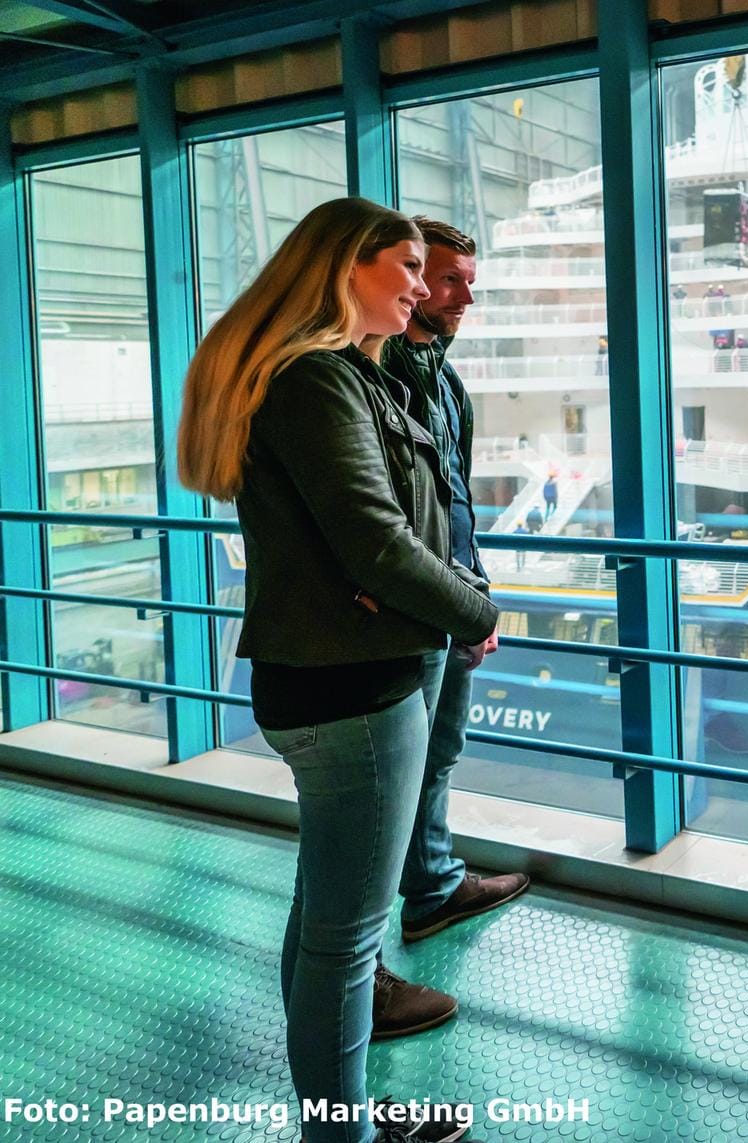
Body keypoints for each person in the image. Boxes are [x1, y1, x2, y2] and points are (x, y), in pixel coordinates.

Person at [177, 197, 496, 1143]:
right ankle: (341, 1132)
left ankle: (339, 1113)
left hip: (339, 675)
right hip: (356, 690)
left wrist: (399, 585)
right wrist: (478, 608)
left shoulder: (342, 375)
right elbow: (375, 542)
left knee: (326, 909)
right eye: (403, 265)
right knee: (345, 938)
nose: (419, 284)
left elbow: (368, 535)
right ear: (342, 268)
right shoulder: (318, 380)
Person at [379, 217, 532, 1043]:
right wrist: (461, 603)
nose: (462, 295)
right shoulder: (370, 378)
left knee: (436, 753)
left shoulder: (444, 381)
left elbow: (452, 503)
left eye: (466, 280)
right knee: (388, 782)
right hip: (415, 612)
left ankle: (434, 881)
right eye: (443, 279)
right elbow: (388, 525)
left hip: (451, 600)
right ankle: (365, 967)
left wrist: (473, 590)